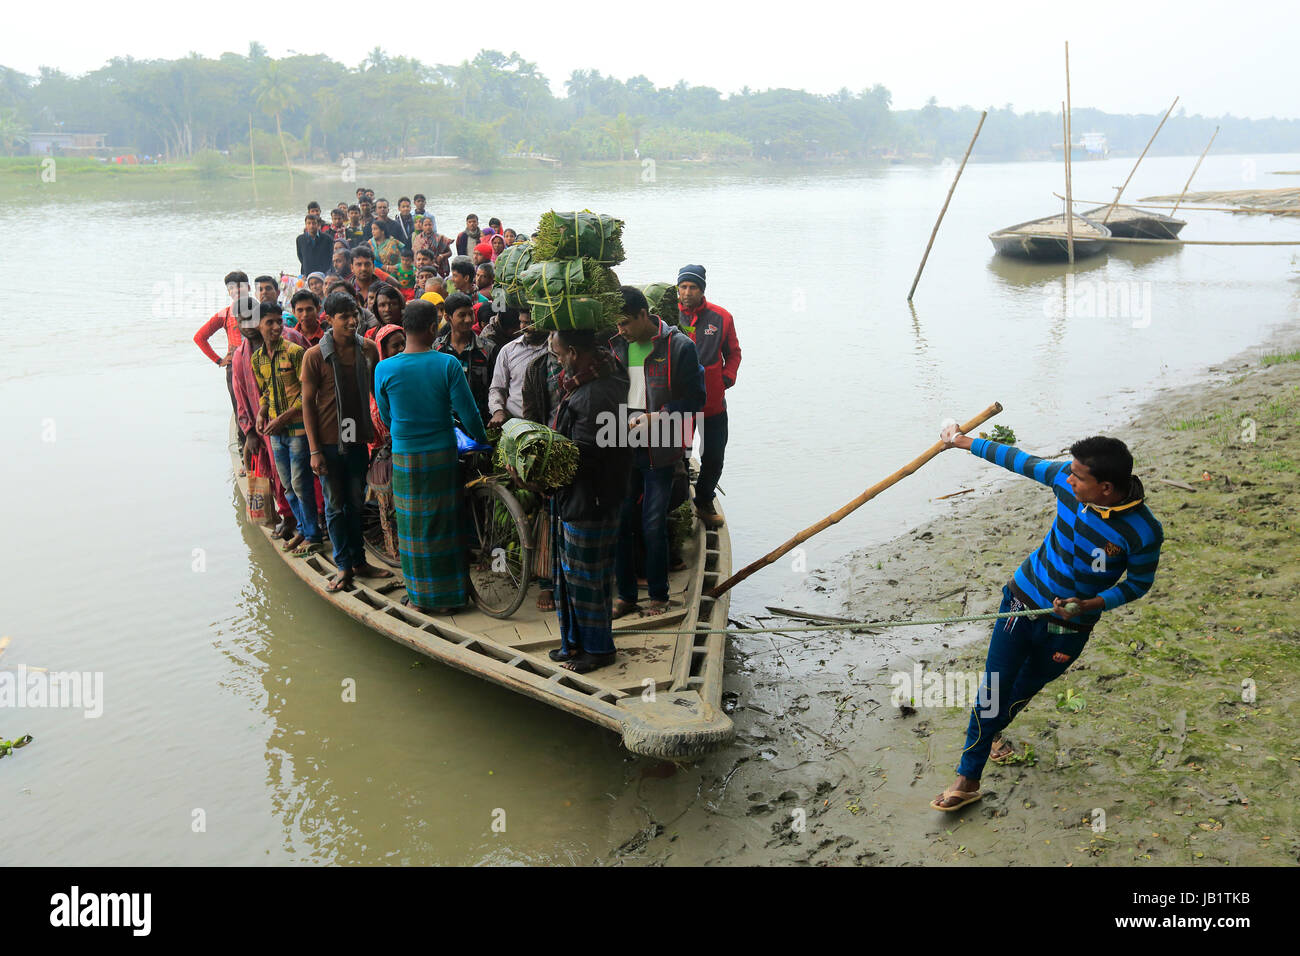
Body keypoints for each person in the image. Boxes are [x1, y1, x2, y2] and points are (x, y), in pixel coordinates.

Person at [929, 430, 1164, 812]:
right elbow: (1019, 459)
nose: (1067, 479)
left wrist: (1090, 604)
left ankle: (990, 733)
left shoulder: (1143, 531)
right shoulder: (1064, 481)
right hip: (1020, 602)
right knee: (993, 690)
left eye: (1077, 476)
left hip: (1068, 628)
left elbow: (1138, 584)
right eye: (1069, 472)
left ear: (1105, 487)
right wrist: (963, 441)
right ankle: (968, 778)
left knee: (1020, 690)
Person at [373, 299, 488, 614]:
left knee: (412, 527)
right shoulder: (447, 364)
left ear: (407, 328)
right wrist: (482, 439)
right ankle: (450, 597)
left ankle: (419, 595)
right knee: (444, 524)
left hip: (405, 456)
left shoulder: (384, 368)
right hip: (441, 454)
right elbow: (469, 413)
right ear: (432, 327)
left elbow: (385, 416)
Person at [608, 286, 706, 618]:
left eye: (625, 323)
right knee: (620, 520)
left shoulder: (679, 347)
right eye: (617, 325)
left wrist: (660, 416)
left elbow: (697, 398)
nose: (621, 331)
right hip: (620, 443)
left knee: (652, 523)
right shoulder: (616, 345)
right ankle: (626, 596)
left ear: (643, 315)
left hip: (660, 446)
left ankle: (660, 596)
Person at [542, 329, 632, 673]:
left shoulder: (595, 394)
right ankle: (575, 644)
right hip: (581, 495)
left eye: (562, 353)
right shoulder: (593, 381)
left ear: (576, 353)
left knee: (586, 577)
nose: (559, 360)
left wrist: (544, 470)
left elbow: (585, 455)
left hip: (591, 498)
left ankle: (598, 650)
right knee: (570, 574)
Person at [301, 290, 391, 593]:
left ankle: (359, 561)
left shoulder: (367, 349)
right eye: (344, 317)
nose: (352, 321)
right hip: (327, 444)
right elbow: (307, 405)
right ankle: (343, 565)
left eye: (355, 314)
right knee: (335, 506)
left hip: (356, 440)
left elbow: (376, 395)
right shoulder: (315, 356)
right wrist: (314, 451)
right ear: (329, 320)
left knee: (355, 504)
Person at [251, 301, 321, 557]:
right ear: (258, 326)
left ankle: (312, 533)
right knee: (287, 485)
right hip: (276, 431)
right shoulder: (257, 359)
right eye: (269, 322)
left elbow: (307, 394)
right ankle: (302, 527)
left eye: (279, 321)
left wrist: (284, 417)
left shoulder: (294, 352)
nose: (276, 327)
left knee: (301, 483)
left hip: (298, 429)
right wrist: (261, 412)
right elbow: (266, 392)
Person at [676, 264, 741, 529]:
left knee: (714, 457)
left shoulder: (721, 317)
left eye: (692, 287)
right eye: (683, 287)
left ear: (702, 289)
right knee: (677, 454)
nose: (687, 292)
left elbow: (734, 353)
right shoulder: (667, 315)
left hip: (713, 403)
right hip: (680, 402)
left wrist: (727, 377)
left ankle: (703, 499)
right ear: (677, 289)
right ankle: (678, 505)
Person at [193, 270, 252, 437]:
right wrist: (218, 360)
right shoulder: (225, 313)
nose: (235, 292)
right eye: (231, 289)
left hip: (257, 364)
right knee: (240, 410)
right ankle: (244, 450)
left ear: (248, 287)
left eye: (239, 288)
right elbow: (199, 337)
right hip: (235, 368)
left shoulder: (259, 310)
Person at [367, 323, 406, 562]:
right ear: (382, 350)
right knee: (389, 511)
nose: (401, 350)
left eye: (404, 343)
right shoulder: (376, 381)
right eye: (395, 346)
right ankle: (396, 554)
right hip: (384, 454)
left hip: (404, 449)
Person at [434, 292, 497, 424]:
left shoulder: (488, 349)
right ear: (448, 317)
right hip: (445, 423)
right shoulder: (437, 349)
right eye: (462, 315)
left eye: (470, 314)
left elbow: (494, 387)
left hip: (480, 421)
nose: (468, 319)